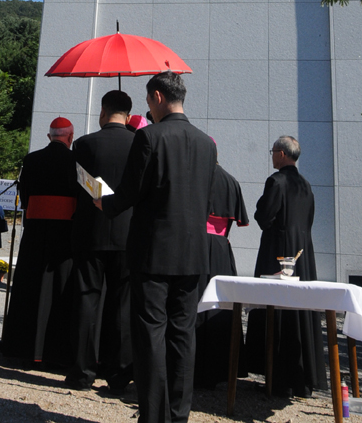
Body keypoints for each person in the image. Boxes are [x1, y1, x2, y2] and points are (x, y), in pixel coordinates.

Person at [98, 72, 216, 423]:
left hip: (152, 251)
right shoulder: (206, 143)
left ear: (158, 96)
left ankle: (154, 416)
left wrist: (104, 202)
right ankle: (178, 415)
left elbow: (131, 193)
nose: (148, 106)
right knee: (183, 335)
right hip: (193, 251)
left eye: (148, 100)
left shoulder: (149, 136)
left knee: (150, 334)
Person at [245, 136, 327, 396]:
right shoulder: (305, 185)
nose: (272, 156)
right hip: (303, 254)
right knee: (298, 313)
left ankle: (277, 377)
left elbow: (263, 216)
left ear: (281, 154)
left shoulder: (276, 181)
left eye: (273, 151)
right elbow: (310, 219)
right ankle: (300, 378)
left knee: (276, 309)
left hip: (278, 252)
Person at [66, 90, 136, 392]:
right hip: (127, 234)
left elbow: (75, 184)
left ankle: (82, 371)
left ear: (103, 112)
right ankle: (119, 373)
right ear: (129, 114)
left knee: (87, 299)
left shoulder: (84, 144)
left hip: (90, 231)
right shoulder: (140, 143)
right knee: (122, 304)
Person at [1, 116, 78, 368]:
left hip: (35, 233)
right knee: (59, 290)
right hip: (65, 235)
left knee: (29, 289)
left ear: (49, 136)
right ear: (70, 137)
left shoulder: (31, 160)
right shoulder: (76, 161)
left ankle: (21, 347)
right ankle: (55, 352)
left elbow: (24, 197)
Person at [193, 148, 248, 388]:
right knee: (220, 307)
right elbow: (237, 221)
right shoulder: (231, 181)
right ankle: (221, 369)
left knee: (195, 304)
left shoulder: (195, 176)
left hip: (195, 246)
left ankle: (193, 368)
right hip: (222, 250)